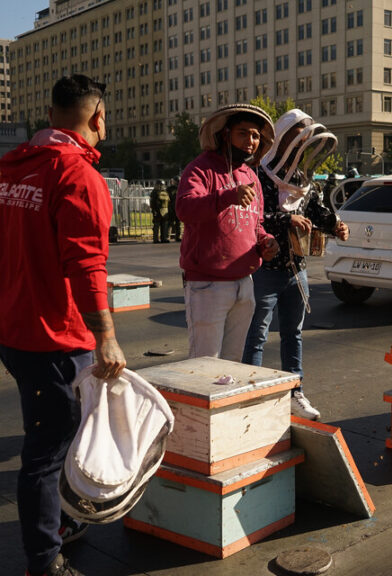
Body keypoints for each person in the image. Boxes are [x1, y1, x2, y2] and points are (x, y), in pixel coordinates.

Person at [0, 74, 126, 576]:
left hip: (14, 332)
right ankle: (43, 561)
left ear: (50, 115)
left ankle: (61, 524)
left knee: (57, 437)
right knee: (47, 450)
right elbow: (88, 266)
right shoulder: (77, 177)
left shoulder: (11, 169)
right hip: (53, 339)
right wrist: (108, 339)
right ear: (97, 118)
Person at [242, 109, 349, 420]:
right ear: (284, 140)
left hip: (297, 269)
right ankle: (251, 398)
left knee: (293, 333)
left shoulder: (302, 179)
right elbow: (253, 218)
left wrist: (335, 224)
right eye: (297, 138)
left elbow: (315, 210)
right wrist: (286, 219)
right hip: (263, 269)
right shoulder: (257, 174)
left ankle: (295, 392)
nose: (302, 145)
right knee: (257, 335)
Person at [176, 104, 279, 361]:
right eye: (243, 133)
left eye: (256, 136)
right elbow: (184, 208)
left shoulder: (251, 176)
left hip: (245, 284)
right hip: (207, 284)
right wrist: (228, 196)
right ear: (225, 134)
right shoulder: (200, 169)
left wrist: (265, 241)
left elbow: (256, 225)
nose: (251, 141)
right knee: (204, 365)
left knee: (233, 366)